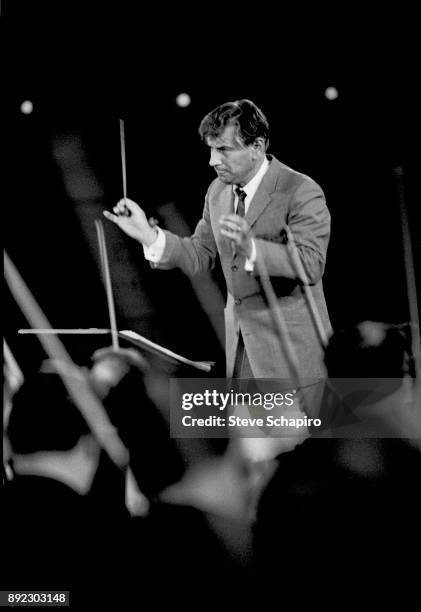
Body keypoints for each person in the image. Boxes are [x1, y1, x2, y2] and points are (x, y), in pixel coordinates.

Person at [104, 99, 331, 381]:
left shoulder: (299, 190)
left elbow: (311, 265)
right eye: (211, 149)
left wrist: (253, 249)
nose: (212, 160)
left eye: (223, 149)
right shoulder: (218, 191)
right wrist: (148, 235)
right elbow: (200, 254)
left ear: (257, 147)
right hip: (241, 354)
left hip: (293, 357)